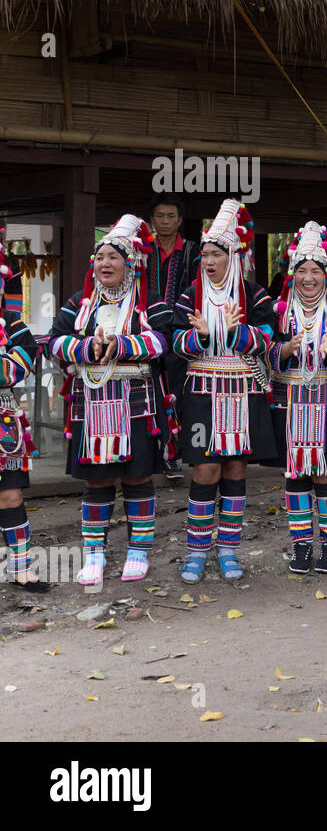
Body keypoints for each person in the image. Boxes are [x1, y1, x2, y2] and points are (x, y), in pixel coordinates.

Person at [48, 215, 172, 585]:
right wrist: (87, 346)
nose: (105, 263)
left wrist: (120, 345)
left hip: (137, 403)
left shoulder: (150, 301)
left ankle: (138, 551)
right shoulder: (78, 304)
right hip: (91, 404)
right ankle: (95, 555)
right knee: (97, 482)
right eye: (100, 257)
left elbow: (164, 341)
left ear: (130, 262)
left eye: (114, 257)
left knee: (136, 479)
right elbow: (54, 342)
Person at [172, 198, 277, 584]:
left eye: (217, 253)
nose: (210, 261)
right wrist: (200, 336)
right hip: (202, 391)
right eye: (205, 254)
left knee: (235, 467)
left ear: (233, 255)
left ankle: (229, 548)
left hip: (244, 390)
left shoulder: (255, 295)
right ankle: (197, 550)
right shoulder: (189, 296)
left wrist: (233, 332)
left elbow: (267, 339)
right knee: (205, 468)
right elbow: (175, 343)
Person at [269, 222, 327, 574]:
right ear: (292, 275)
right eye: (302, 271)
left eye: (316, 271)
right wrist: (284, 349)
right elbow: (262, 351)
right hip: (290, 402)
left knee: (325, 475)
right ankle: (302, 546)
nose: (309, 278)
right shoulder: (278, 314)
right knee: (295, 475)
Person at [0, 234, 45, 591]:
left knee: (11, 497)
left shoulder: (11, 323)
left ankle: (20, 567)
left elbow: (23, 362)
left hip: (4, 422)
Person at [146, 191, 200, 480]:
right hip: (148, 331)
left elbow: (198, 290)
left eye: (171, 216)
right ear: (151, 219)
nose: (165, 221)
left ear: (180, 220)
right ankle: (159, 452)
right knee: (152, 390)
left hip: (181, 331)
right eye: (160, 216)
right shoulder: (141, 252)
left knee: (178, 392)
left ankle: (176, 454)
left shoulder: (194, 252)